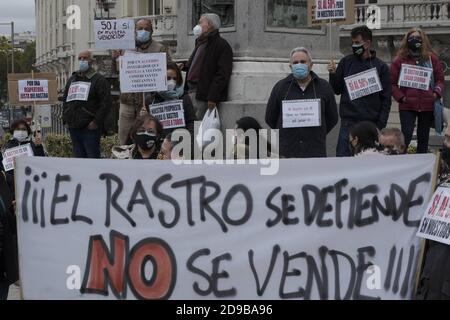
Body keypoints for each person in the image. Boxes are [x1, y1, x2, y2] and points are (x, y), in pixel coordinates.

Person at [328, 26, 392, 157]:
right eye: (353, 42)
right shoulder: (346, 62)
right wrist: (333, 74)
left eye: (357, 42)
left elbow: (386, 99)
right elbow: (337, 90)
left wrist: (380, 125)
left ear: (367, 43)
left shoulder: (381, 67)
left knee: (368, 162)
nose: (354, 45)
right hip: (348, 123)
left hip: (370, 124)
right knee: (342, 159)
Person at [266, 47, 338, 158]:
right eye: (295, 63)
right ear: (290, 67)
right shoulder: (280, 87)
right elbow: (270, 117)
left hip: (315, 151)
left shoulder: (324, 87)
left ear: (311, 65)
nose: (299, 65)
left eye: (303, 62)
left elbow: (332, 118)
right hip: (288, 152)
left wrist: (318, 131)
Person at [113, 18, 173, 145]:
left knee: (147, 136)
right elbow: (118, 72)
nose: (143, 31)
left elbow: (169, 70)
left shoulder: (160, 48)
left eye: (146, 28)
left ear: (151, 31)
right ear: (134, 30)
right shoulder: (125, 48)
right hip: (128, 101)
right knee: (124, 136)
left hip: (149, 102)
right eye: (140, 29)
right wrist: (115, 59)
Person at [391, 28, 445, 154]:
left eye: (418, 38)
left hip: (427, 106)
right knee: (406, 137)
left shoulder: (432, 59)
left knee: (423, 139)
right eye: (411, 38)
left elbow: (440, 81)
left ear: (423, 41)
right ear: (407, 41)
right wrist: (402, 98)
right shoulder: (399, 60)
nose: (415, 40)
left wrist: (435, 93)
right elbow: (392, 84)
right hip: (407, 105)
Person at [416, 124, 450, 300]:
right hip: (431, 274)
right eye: (445, 137)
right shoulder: (440, 172)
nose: (445, 143)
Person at [182, 13, 233, 120]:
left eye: (200, 22)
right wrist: (184, 66)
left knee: (196, 126)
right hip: (190, 92)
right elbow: (200, 65)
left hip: (202, 95)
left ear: (209, 25)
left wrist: (213, 97)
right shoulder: (201, 43)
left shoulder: (221, 45)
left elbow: (222, 74)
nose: (198, 25)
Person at [62, 50, 111, 159]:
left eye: (85, 58)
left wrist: (96, 122)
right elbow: (65, 100)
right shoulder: (72, 79)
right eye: (80, 58)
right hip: (74, 126)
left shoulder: (99, 80)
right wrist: (65, 119)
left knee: (92, 158)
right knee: (78, 158)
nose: (82, 61)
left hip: (90, 127)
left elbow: (105, 103)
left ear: (91, 61)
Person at [142, 63, 197, 138]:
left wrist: (187, 140)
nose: (171, 81)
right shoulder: (151, 99)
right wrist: (143, 117)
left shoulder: (184, 97)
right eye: (168, 78)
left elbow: (192, 122)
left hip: (179, 142)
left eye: (174, 79)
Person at [0, 119, 46, 197]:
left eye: (23, 129)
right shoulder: (7, 146)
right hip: (12, 186)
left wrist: (39, 147)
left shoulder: (32, 145)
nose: (21, 131)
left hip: (31, 184)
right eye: (18, 129)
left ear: (27, 131)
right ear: (13, 131)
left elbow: (41, 162)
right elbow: (3, 166)